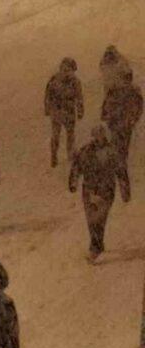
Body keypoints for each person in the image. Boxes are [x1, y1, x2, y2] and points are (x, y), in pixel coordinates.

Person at [69, 125, 131, 263]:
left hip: (106, 191)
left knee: (99, 219)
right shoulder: (85, 151)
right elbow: (76, 167)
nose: (98, 138)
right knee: (91, 220)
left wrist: (125, 190)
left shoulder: (112, 152)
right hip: (89, 190)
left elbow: (121, 172)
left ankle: (95, 248)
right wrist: (73, 183)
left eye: (101, 135)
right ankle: (98, 243)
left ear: (105, 136)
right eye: (96, 135)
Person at [44, 58, 84, 167]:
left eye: (69, 70)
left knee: (69, 135)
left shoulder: (75, 82)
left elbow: (79, 97)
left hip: (68, 111)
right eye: (64, 69)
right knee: (56, 135)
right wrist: (47, 108)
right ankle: (54, 155)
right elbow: (48, 95)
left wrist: (80, 110)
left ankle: (69, 155)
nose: (66, 72)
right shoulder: (55, 80)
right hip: (58, 111)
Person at [102, 70, 143, 163]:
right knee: (118, 144)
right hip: (118, 121)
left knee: (121, 145)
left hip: (123, 122)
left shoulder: (133, 90)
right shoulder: (115, 89)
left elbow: (139, 106)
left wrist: (134, 118)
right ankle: (118, 163)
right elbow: (106, 102)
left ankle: (119, 163)